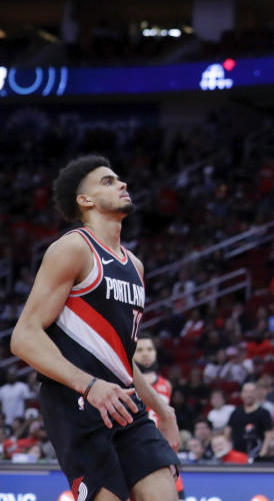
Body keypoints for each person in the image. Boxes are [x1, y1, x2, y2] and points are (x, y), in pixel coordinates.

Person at [10, 155, 180, 500]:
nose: (122, 184)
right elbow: (23, 336)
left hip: (124, 402)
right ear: (84, 200)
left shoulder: (135, 265)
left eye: (119, 179)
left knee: (163, 492)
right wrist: (89, 386)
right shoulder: (73, 248)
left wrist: (162, 409)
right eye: (107, 181)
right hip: (75, 402)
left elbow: (120, 356)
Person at [134, 334, 187, 500]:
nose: (145, 354)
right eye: (140, 350)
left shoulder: (166, 384)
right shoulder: (126, 382)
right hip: (135, 449)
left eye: (150, 349)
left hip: (162, 452)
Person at [227, 382, 273, 458]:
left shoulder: (264, 412)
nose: (249, 395)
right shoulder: (235, 412)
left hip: (256, 454)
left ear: (256, 393)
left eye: (252, 392)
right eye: (246, 392)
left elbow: (268, 433)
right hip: (237, 455)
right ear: (241, 394)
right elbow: (228, 432)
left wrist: (264, 449)